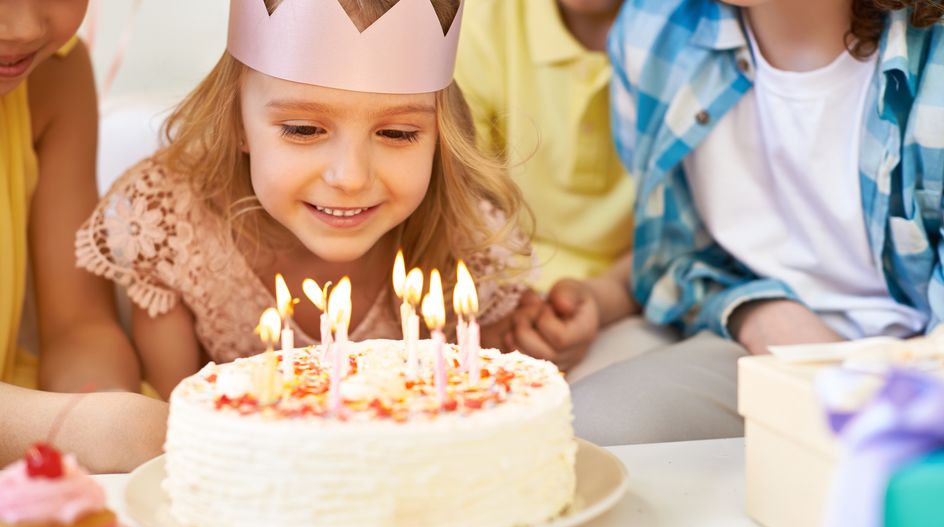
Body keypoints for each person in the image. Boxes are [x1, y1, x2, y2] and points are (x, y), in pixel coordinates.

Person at [77, 0, 596, 399]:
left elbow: (484, 397)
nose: (350, 177)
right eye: (303, 129)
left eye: (397, 134)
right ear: (237, 122)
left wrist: (539, 334)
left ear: (441, 135)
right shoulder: (172, 227)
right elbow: (183, 421)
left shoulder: (466, 244)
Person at [573, 0, 944, 445]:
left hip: (923, 369)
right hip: (760, 350)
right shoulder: (653, 31)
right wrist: (757, 313)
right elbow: (673, 255)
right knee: (584, 432)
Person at [455, 0, 678, 379]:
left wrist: (602, 296)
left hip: (640, 302)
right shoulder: (477, 21)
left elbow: (691, 237)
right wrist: (503, 304)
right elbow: (456, 202)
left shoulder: (689, 36)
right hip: (487, 293)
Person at [0, 0, 166, 470]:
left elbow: (76, 324)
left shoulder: (53, 75)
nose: (25, 26)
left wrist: (103, 398)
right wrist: (77, 427)